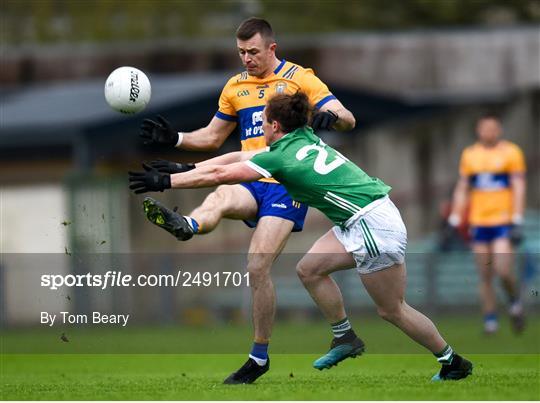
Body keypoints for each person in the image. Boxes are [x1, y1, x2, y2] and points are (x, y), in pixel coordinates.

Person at [129, 92, 473, 382]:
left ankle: (451, 361)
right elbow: (237, 156)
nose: (259, 126)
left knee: (392, 309)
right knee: (308, 270)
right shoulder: (302, 138)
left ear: (275, 126)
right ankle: (345, 337)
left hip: (371, 224)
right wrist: (186, 168)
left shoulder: (281, 158)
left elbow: (225, 172)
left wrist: (166, 183)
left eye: (262, 121)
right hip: (361, 218)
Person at [137, 17, 355, 384]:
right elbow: (210, 137)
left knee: (256, 266)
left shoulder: (299, 78)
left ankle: (258, 357)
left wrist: (325, 117)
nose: (246, 59)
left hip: (287, 182)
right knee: (221, 194)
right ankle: (188, 225)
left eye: (253, 52)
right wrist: (174, 138)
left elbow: (348, 118)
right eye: (240, 52)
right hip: (250, 176)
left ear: (272, 48)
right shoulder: (234, 86)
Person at [449, 114, 527, 334]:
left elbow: (519, 187)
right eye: (484, 128)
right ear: (478, 130)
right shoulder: (470, 155)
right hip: (479, 222)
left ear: (499, 130)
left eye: (492, 128)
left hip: (503, 220)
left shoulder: (511, 153)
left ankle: (513, 302)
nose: (488, 132)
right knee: (484, 274)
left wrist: (517, 219)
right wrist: (455, 218)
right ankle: (490, 320)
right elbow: (463, 188)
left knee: (503, 270)